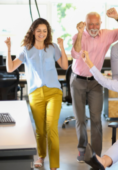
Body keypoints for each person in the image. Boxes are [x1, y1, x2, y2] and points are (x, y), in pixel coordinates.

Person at [4, 18, 68, 170]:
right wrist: (8, 49)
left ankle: (54, 166)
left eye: (45, 31)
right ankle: (41, 156)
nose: (42, 33)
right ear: (33, 31)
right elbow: (10, 68)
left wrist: (62, 46)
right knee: (39, 130)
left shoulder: (52, 47)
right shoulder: (26, 49)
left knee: (51, 128)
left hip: (54, 92)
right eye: (39, 30)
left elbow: (64, 66)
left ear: (48, 33)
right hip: (35, 94)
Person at [70, 8, 118, 162]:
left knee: (96, 119)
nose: (94, 27)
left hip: (96, 82)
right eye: (90, 24)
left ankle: (95, 154)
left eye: (96, 24)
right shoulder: (78, 36)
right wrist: (80, 33)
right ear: (85, 24)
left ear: (100, 24)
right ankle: (82, 149)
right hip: (78, 81)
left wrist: (117, 17)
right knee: (80, 119)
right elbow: (76, 54)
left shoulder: (106, 34)